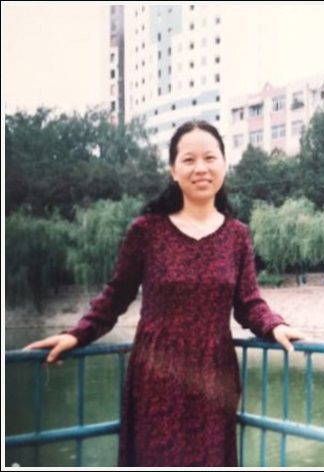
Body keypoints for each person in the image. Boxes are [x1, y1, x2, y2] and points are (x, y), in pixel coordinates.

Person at [21, 120, 306, 466]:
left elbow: (248, 303)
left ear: (224, 164)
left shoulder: (237, 236)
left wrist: (275, 326)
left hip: (213, 378)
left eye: (210, 158)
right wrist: (77, 334)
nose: (200, 168)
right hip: (157, 376)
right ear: (173, 170)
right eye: (188, 160)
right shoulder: (147, 231)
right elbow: (115, 296)